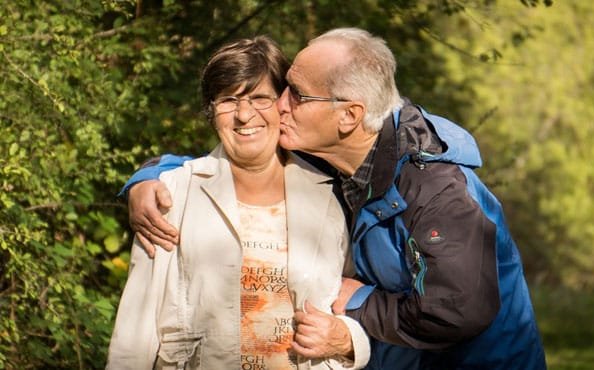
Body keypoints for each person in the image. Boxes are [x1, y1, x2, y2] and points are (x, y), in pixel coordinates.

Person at [125, 28, 547, 369]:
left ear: (349, 115)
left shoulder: (436, 190)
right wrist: (149, 176)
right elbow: (230, 160)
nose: (278, 105)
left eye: (296, 94)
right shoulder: (336, 155)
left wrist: (359, 303)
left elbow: (457, 311)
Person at [106, 36, 371, 370]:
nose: (244, 115)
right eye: (228, 100)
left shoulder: (333, 194)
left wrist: (349, 340)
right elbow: (135, 332)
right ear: (212, 110)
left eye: (260, 98)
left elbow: (358, 301)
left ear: (284, 104)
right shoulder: (172, 193)